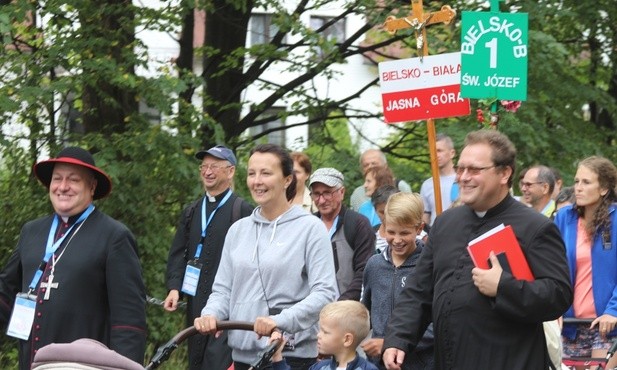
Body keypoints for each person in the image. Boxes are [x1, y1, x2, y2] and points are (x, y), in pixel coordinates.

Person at [382, 130, 573, 370]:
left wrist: (504, 286)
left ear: (504, 173)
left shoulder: (535, 227)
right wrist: (399, 338)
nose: (463, 177)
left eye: (474, 170)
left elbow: (558, 295)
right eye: (460, 169)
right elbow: (419, 291)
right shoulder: (445, 223)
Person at [0, 147, 146, 370]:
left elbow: (129, 322)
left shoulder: (114, 236)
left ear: (92, 186)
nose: (63, 186)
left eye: (73, 180)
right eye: (57, 179)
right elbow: (6, 294)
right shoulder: (32, 231)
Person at [194, 143, 337, 370]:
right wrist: (210, 314)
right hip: (241, 357)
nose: (257, 181)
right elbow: (222, 290)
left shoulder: (311, 228)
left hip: (291, 356)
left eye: (266, 173)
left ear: (287, 179)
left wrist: (279, 321)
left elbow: (326, 293)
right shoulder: (238, 230)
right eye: (252, 173)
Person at [163, 145, 253, 370]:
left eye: (214, 166)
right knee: (196, 359)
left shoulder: (242, 210)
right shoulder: (192, 211)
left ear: (230, 171)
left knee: (218, 361)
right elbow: (178, 252)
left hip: (228, 308)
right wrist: (174, 287)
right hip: (195, 302)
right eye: (204, 166)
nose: (207, 171)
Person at [554, 156, 617, 370]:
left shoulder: (616, 220)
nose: (578, 188)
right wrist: (553, 309)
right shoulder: (564, 217)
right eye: (577, 181)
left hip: (606, 324)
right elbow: (553, 266)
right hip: (570, 323)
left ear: (604, 189)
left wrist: (613, 310)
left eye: (586, 182)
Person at [362, 192, 434, 370]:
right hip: (379, 364)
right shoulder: (374, 265)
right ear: (383, 226)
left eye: (405, 233)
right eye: (391, 232)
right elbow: (366, 312)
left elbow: (438, 322)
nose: (397, 239)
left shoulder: (430, 266)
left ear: (419, 228)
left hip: (421, 363)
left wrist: (391, 343)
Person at [309, 167, 376, 300]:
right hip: (312, 311)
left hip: (349, 310)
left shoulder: (358, 224)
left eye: (327, 193)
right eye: (316, 194)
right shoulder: (308, 226)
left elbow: (364, 271)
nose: (321, 200)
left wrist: (342, 305)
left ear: (342, 192)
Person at [270, 300, 378, 370]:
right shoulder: (319, 367)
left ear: (347, 340)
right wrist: (277, 357)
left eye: (325, 332)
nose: (318, 335)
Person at [420, 133, 457, 226]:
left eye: (439, 150)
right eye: (433, 151)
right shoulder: (427, 185)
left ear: (452, 153)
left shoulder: (463, 180)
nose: (435, 155)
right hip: (435, 233)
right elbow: (425, 216)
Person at [370, 185, 400, 254]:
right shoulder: (370, 236)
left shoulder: (415, 232)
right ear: (375, 211)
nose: (387, 216)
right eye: (382, 212)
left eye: (391, 211)